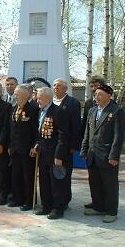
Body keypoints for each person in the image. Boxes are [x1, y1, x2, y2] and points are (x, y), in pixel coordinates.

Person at [81, 84, 125, 223]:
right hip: (92, 154)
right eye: (95, 94)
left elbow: (118, 136)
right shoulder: (92, 111)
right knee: (94, 182)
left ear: (109, 95)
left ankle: (111, 211)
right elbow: (87, 133)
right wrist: (84, 149)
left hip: (107, 155)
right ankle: (98, 206)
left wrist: (114, 155)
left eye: (100, 94)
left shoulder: (116, 111)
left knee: (109, 185)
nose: (96, 97)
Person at [31, 87, 70, 220]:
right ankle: (46, 205)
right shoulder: (40, 111)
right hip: (43, 152)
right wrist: (37, 143)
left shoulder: (58, 111)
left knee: (56, 183)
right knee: (44, 181)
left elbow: (63, 136)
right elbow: (39, 131)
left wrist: (59, 155)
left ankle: (57, 208)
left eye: (39, 98)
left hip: (54, 153)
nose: (37, 100)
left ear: (47, 98)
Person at [8, 85, 39, 210]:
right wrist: (10, 145)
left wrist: (34, 146)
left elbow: (36, 130)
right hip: (15, 148)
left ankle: (29, 200)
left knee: (28, 176)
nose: (15, 96)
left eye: (17, 94)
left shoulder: (33, 108)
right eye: (15, 93)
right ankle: (17, 198)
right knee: (16, 175)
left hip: (27, 149)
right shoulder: (14, 107)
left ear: (26, 95)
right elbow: (11, 129)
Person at [52, 78, 81, 207]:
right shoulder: (50, 101)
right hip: (51, 145)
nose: (55, 88)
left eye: (58, 86)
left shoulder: (73, 102)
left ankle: (64, 201)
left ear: (65, 88)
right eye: (54, 86)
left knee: (64, 174)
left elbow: (76, 126)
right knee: (52, 175)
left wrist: (74, 145)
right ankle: (54, 198)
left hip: (66, 145)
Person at [81, 75, 105, 209]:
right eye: (91, 86)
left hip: (103, 148)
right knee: (93, 177)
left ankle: (105, 203)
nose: (93, 89)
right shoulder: (89, 103)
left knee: (104, 178)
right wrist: (83, 146)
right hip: (91, 147)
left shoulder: (110, 104)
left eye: (96, 86)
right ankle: (95, 201)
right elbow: (85, 124)